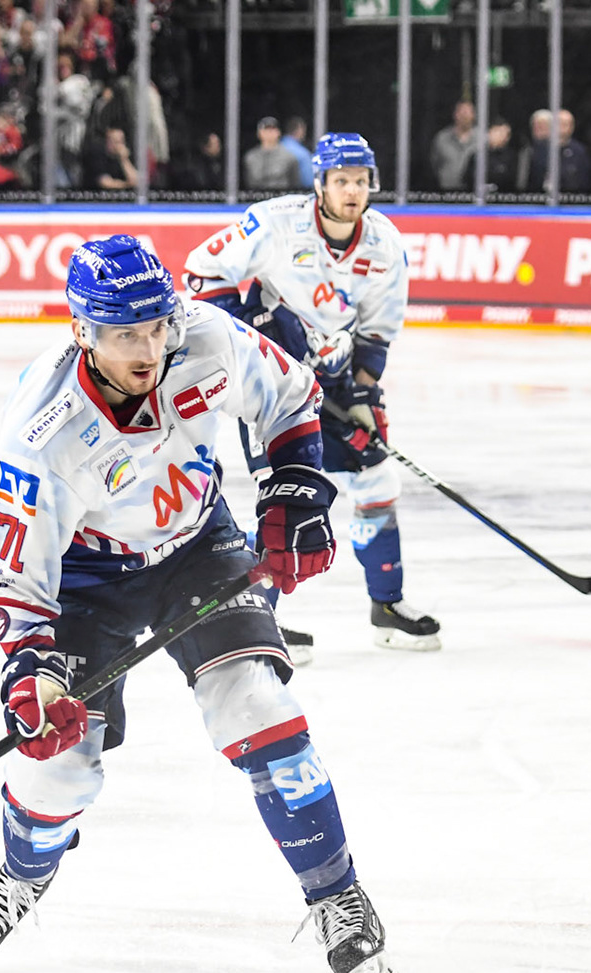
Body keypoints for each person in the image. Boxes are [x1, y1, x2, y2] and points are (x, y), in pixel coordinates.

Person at [0, 235, 398, 973]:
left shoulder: (205, 336)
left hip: (198, 547)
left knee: (258, 708)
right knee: (57, 767)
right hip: (85, 579)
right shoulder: (42, 433)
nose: (150, 349)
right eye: (126, 334)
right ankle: (23, 873)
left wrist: (294, 492)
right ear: (82, 331)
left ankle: (337, 895)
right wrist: (32, 675)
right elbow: (18, 578)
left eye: (157, 326)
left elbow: (290, 396)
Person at [184, 132, 439, 661]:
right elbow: (201, 271)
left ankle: (387, 607)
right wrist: (252, 335)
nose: (352, 191)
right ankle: (258, 621)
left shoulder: (384, 243)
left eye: (361, 181)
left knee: (378, 480)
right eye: (341, 180)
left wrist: (365, 393)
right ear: (320, 183)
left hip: (335, 377)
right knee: (284, 492)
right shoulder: (276, 222)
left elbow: (378, 329)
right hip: (274, 385)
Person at [429, 98, 476, 190]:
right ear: (455, 114)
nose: (464, 116)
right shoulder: (442, 138)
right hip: (446, 192)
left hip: (474, 193)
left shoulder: (482, 139)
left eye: (467, 112)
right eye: (461, 112)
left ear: (473, 115)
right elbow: (434, 164)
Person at [243, 115, 299, 190]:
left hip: (282, 195)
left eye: (273, 129)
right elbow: (248, 183)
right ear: (259, 133)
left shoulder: (289, 157)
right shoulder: (250, 157)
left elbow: (294, 184)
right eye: (266, 129)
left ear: (278, 132)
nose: (269, 133)